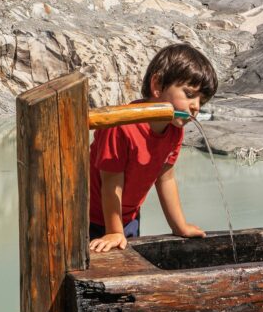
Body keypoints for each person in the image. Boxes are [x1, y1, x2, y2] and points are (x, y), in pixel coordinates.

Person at [88, 43, 218, 253]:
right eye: (189, 94)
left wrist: (180, 227)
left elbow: (165, 178)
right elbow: (111, 183)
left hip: (129, 218)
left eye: (201, 100)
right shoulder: (122, 126)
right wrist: (114, 230)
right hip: (90, 220)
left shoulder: (174, 129)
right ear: (157, 85)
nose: (196, 106)